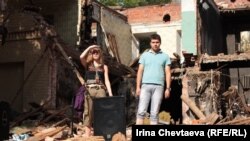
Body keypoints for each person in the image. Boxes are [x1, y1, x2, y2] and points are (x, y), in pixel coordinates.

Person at [135, 33, 171, 125]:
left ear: (160, 43)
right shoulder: (144, 55)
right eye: (153, 42)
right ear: (150, 43)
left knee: (154, 113)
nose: (155, 44)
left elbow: (168, 73)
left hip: (159, 87)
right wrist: (138, 87)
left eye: (157, 42)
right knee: (141, 111)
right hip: (145, 86)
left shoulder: (165, 56)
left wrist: (168, 88)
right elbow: (140, 71)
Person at [80, 45, 113, 137]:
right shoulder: (87, 64)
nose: (95, 53)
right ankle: (87, 134)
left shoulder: (104, 66)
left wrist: (110, 93)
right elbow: (81, 56)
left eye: (97, 52)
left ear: (100, 54)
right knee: (88, 112)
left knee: (102, 111)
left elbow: (106, 80)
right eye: (93, 52)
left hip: (100, 90)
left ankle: (102, 133)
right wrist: (90, 47)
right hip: (89, 89)